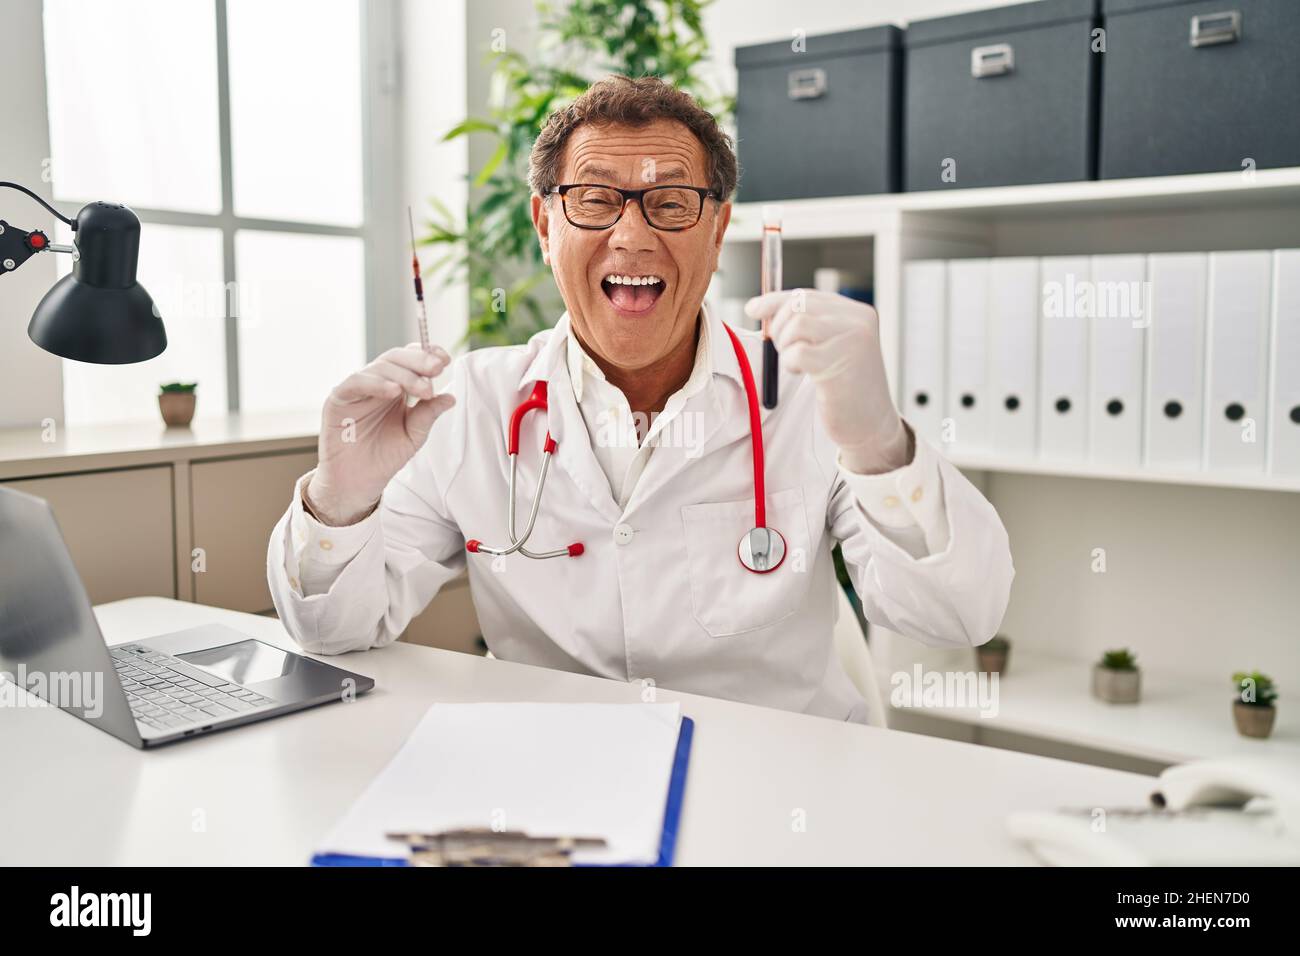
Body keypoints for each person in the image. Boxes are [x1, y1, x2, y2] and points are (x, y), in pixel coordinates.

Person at [266, 75, 1013, 724]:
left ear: (718, 230)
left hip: (774, 789)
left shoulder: (809, 391)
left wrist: (879, 441)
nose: (631, 234)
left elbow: (959, 616)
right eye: (594, 200)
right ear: (544, 224)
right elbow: (333, 632)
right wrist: (342, 497)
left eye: (670, 202)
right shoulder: (470, 404)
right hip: (561, 795)